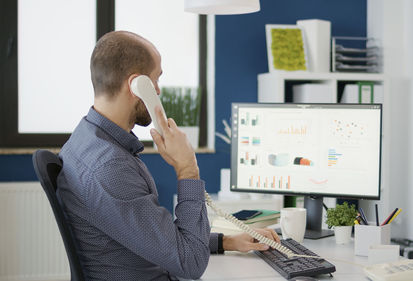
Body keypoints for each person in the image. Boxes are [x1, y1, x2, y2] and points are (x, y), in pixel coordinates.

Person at [57, 30, 280, 281]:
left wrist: (225, 242)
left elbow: (149, 234)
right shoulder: (110, 168)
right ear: (137, 86)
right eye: (155, 80)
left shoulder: (85, 139)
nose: (159, 92)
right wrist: (188, 169)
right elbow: (191, 264)